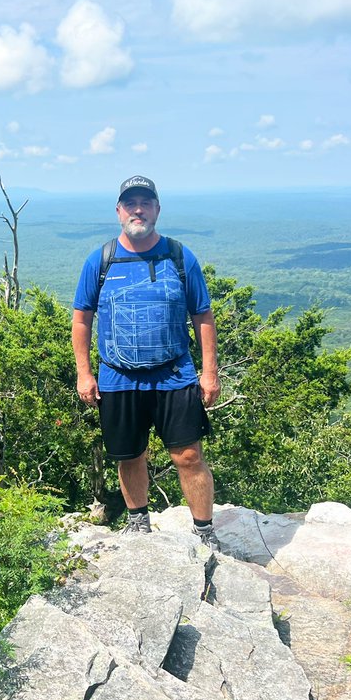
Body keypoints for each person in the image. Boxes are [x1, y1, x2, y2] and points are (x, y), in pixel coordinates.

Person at [71, 175, 221, 548]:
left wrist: (209, 373)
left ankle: (204, 533)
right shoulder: (100, 260)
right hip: (117, 377)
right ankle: (139, 524)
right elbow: (81, 319)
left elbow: (202, 316)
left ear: (157, 209)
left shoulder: (179, 256)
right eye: (131, 203)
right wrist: (84, 373)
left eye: (145, 203)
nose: (138, 210)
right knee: (129, 455)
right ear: (119, 211)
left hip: (174, 374)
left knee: (188, 456)